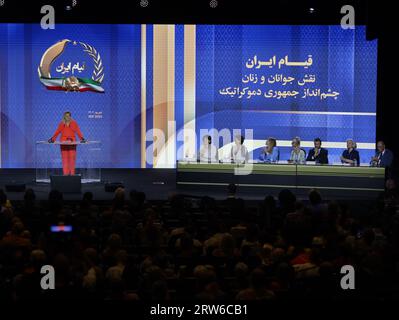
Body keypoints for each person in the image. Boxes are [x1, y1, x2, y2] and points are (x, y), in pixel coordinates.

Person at [48, 111, 86, 175]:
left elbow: (78, 131)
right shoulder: (61, 124)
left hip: (72, 143)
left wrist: (82, 138)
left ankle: (72, 174)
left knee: (72, 159)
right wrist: (52, 139)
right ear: (64, 117)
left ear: (70, 116)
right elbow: (57, 132)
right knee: (65, 160)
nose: (67, 117)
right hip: (63, 143)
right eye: (66, 116)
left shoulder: (74, 123)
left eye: (68, 116)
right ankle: (65, 174)